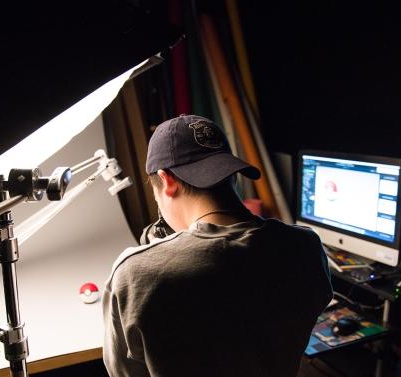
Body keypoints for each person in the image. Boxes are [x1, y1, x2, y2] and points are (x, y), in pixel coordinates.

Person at [102, 114, 332, 377]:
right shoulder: (306, 247)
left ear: (166, 181)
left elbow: (124, 372)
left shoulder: (132, 275)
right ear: (231, 175)